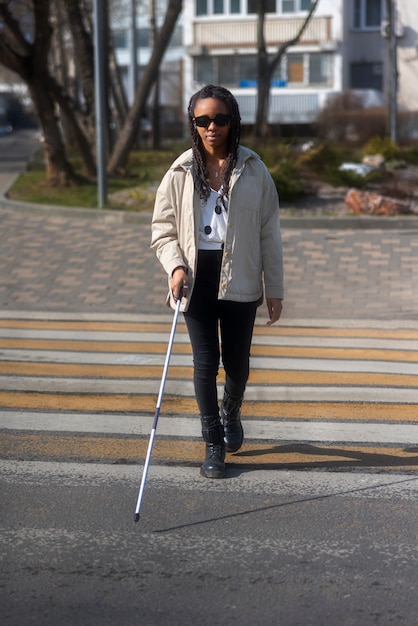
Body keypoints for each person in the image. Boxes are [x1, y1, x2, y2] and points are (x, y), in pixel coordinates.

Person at [151, 84, 284, 479]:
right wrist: (175, 267)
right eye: (203, 120)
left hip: (241, 273)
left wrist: (274, 288)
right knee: (205, 363)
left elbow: (269, 233)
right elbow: (162, 229)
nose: (212, 127)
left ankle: (232, 408)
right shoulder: (178, 172)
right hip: (195, 277)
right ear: (193, 123)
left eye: (220, 119)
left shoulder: (254, 169)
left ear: (232, 122)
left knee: (238, 364)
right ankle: (212, 439)